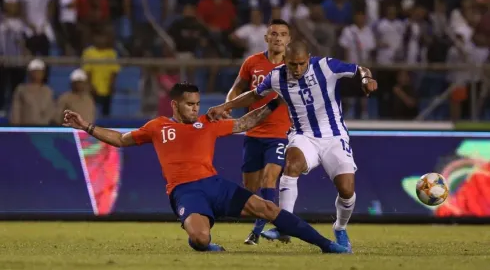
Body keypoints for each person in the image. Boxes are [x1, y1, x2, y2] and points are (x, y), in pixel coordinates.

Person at [62, 82, 350, 254]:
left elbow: (245, 123)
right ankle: (203, 244)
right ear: (175, 105)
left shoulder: (207, 123)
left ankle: (327, 245)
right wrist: (86, 126)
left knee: (269, 210)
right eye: (189, 104)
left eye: (197, 103)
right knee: (200, 238)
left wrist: (277, 100)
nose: (194, 109)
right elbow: (121, 140)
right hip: (185, 192)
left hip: (215, 185)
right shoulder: (157, 127)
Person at [207, 41, 378, 252]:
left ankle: (340, 227)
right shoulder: (277, 76)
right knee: (292, 164)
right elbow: (254, 95)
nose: (296, 69)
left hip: (334, 137)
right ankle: (284, 225)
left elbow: (360, 69)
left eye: (301, 64)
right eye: (292, 64)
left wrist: (366, 78)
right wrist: (226, 106)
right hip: (302, 135)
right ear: (285, 61)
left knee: (346, 190)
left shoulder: (326, 66)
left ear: (309, 58)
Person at [225, 18, 291, 245]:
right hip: (253, 133)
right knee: (251, 189)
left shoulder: (295, 66)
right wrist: (228, 107)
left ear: (288, 39)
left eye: (282, 34)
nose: (278, 38)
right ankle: (271, 224)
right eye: (274, 34)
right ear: (266, 38)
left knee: (269, 177)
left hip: (281, 133)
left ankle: (257, 231)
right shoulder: (252, 62)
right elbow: (237, 89)